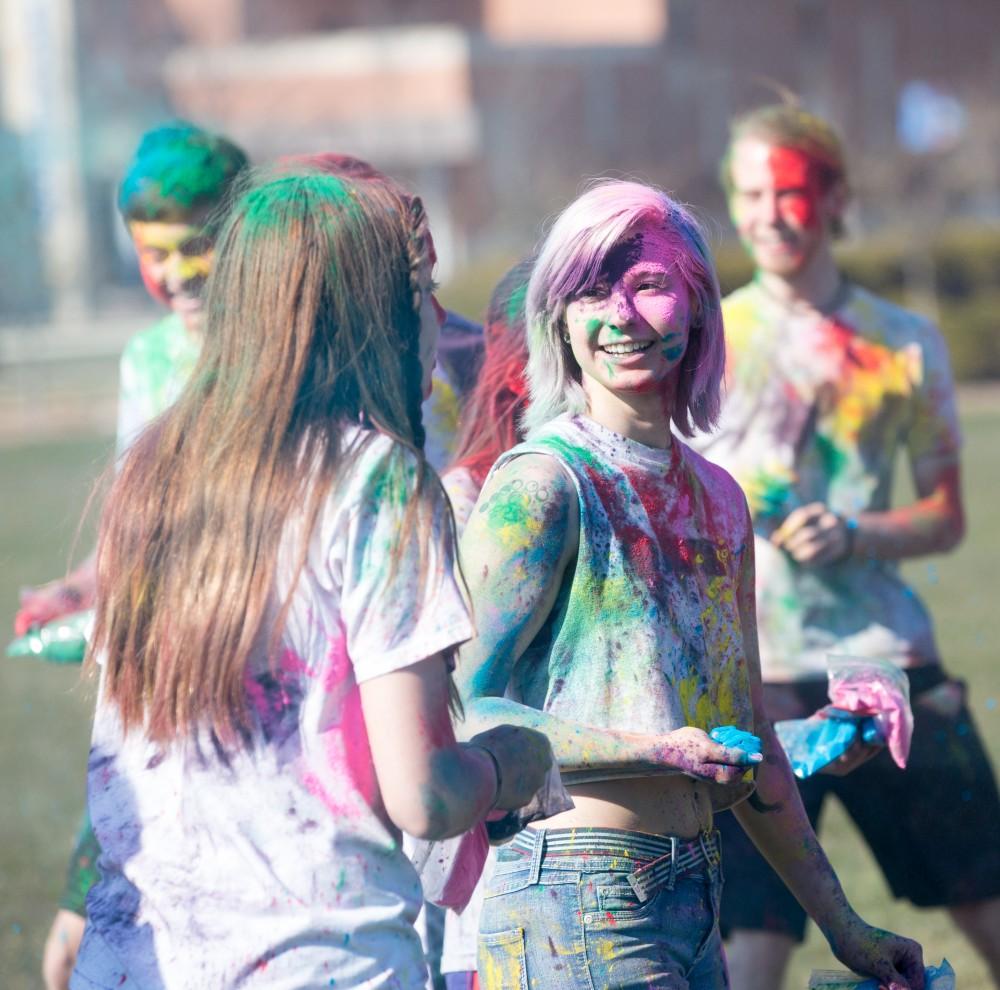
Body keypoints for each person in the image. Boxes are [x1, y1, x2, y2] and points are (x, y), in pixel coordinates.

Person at [69, 169, 552, 990]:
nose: (438, 318)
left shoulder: (147, 470)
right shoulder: (377, 482)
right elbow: (425, 797)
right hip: (321, 959)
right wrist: (515, 761)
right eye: (420, 291)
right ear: (367, 316)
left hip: (134, 960)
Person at [454, 178, 926, 990]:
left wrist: (844, 926)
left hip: (694, 888)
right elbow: (464, 712)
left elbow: (745, 734)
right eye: (591, 291)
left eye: (649, 285)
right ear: (558, 321)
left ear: (700, 306)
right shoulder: (542, 485)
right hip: (569, 889)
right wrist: (657, 749)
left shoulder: (718, 499)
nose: (621, 317)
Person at [696, 104, 1000, 990]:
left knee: (986, 895)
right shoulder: (700, 338)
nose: (769, 214)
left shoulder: (904, 342)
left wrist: (857, 533)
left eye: (790, 191)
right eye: (750, 193)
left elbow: (946, 517)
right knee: (748, 947)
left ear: (833, 198)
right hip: (754, 677)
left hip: (891, 669)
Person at [35, 120, 249, 990]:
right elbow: (134, 524)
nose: (173, 274)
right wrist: (79, 586)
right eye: (151, 252)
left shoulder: (276, 353)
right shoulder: (148, 358)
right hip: (155, 687)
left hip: (250, 674)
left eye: (196, 247)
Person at [437, 261, 532, 990]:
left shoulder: (650, 488)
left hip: (643, 867)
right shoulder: (464, 502)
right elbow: (460, 701)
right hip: (503, 872)